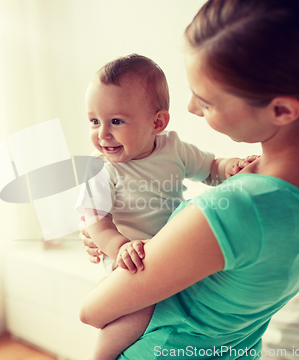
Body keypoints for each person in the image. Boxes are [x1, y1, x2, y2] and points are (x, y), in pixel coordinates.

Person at [80, 0, 299, 359]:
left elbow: (92, 312)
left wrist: (121, 247)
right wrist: (108, 234)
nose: (192, 109)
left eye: (206, 101)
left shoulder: (235, 210)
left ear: (281, 110)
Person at [78, 54, 255, 360]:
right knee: (141, 309)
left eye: (116, 121)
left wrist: (232, 166)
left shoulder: (173, 149)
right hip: (133, 259)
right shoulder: (101, 169)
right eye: (94, 121)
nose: (102, 134)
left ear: (157, 122)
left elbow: (211, 167)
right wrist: (120, 246)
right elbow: (96, 221)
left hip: (171, 250)